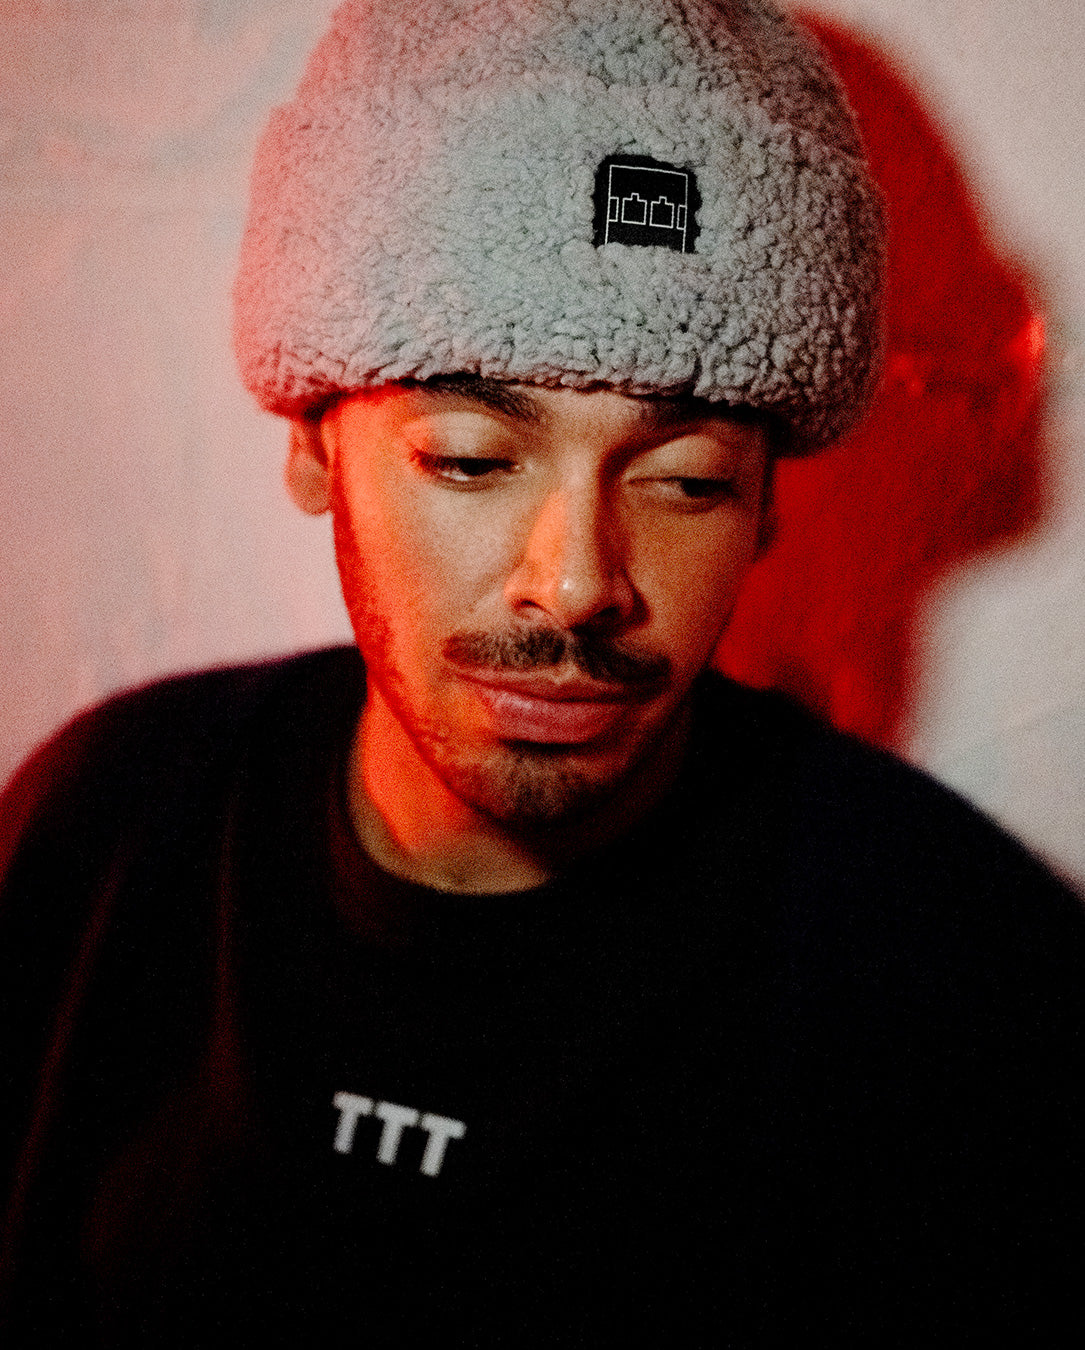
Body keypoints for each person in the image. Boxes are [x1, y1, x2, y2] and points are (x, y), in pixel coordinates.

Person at [2, 1, 1083, 1344]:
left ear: (766, 503)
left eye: (687, 480)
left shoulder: (966, 983)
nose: (576, 582)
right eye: (471, 460)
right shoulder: (109, 830)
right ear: (314, 445)